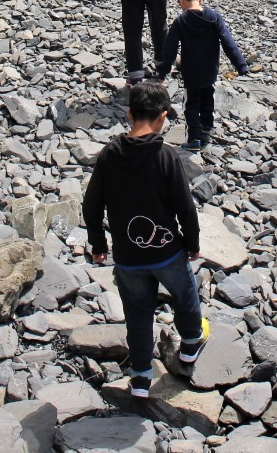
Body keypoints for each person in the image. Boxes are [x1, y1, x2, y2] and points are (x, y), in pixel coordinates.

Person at [81, 81, 207, 398]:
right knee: (185, 294)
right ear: (163, 117)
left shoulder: (110, 155)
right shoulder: (166, 156)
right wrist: (192, 243)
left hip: (127, 257)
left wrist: (98, 244)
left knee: (137, 315)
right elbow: (185, 207)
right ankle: (191, 343)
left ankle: (139, 378)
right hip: (166, 253)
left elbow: (91, 204)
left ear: (128, 114)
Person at [156, 0, 248, 150]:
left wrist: (164, 70)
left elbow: (169, 48)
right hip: (210, 70)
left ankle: (194, 139)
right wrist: (241, 65)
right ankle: (206, 128)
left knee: (191, 104)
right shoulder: (214, 17)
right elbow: (228, 42)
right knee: (208, 97)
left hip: (191, 72)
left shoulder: (181, 21)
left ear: (181, 1)